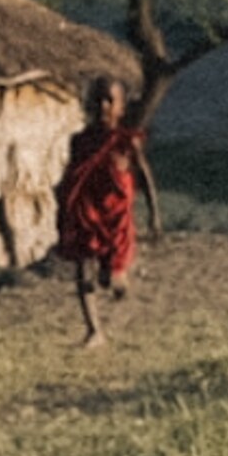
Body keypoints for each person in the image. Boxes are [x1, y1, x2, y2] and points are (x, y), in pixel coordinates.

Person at [54, 74, 160, 347]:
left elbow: (145, 176)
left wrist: (154, 215)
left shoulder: (126, 142)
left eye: (109, 100)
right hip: (86, 214)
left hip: (116, 220)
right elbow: (72, 177)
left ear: (121, 107)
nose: (103, 105)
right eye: (98, 99)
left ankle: (119, 281)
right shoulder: (80, 141)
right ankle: (94, 331)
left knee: (112, 282)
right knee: (82, 269)